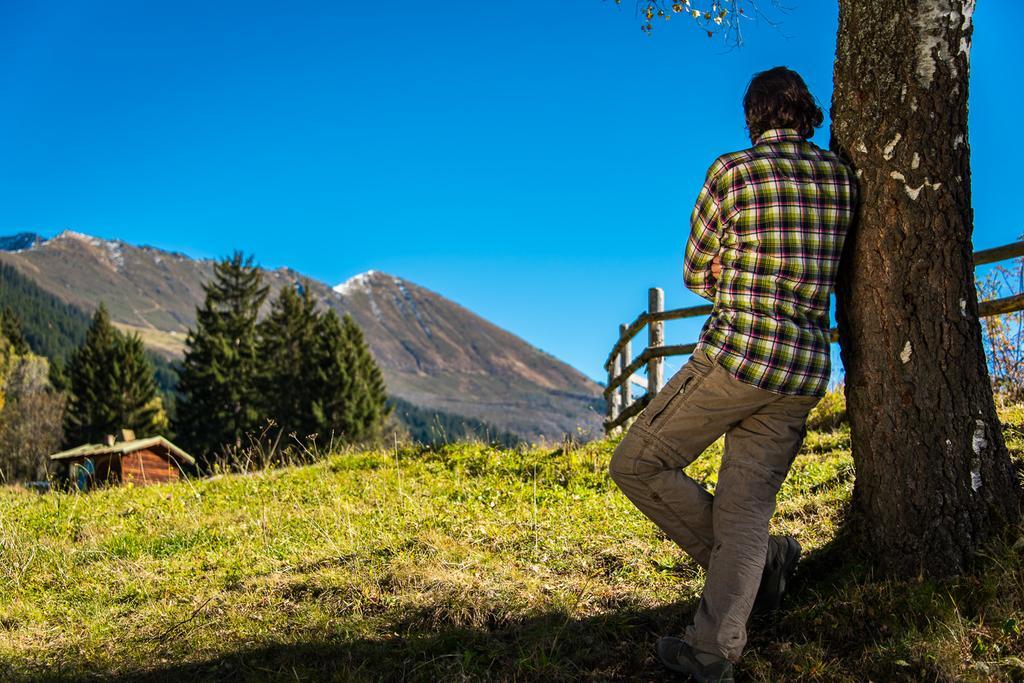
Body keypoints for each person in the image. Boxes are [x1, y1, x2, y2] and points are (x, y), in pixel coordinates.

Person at [609, 66, 857, 683]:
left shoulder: (732, 172)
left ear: (754, 116)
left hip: (736, 357)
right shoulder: (842, 179)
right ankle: (713, 649)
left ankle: (746, 578)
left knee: (637, 463)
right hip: (801, 373)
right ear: (806, 115)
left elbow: (696, 269)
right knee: (747, 515)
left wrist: (734, 273)